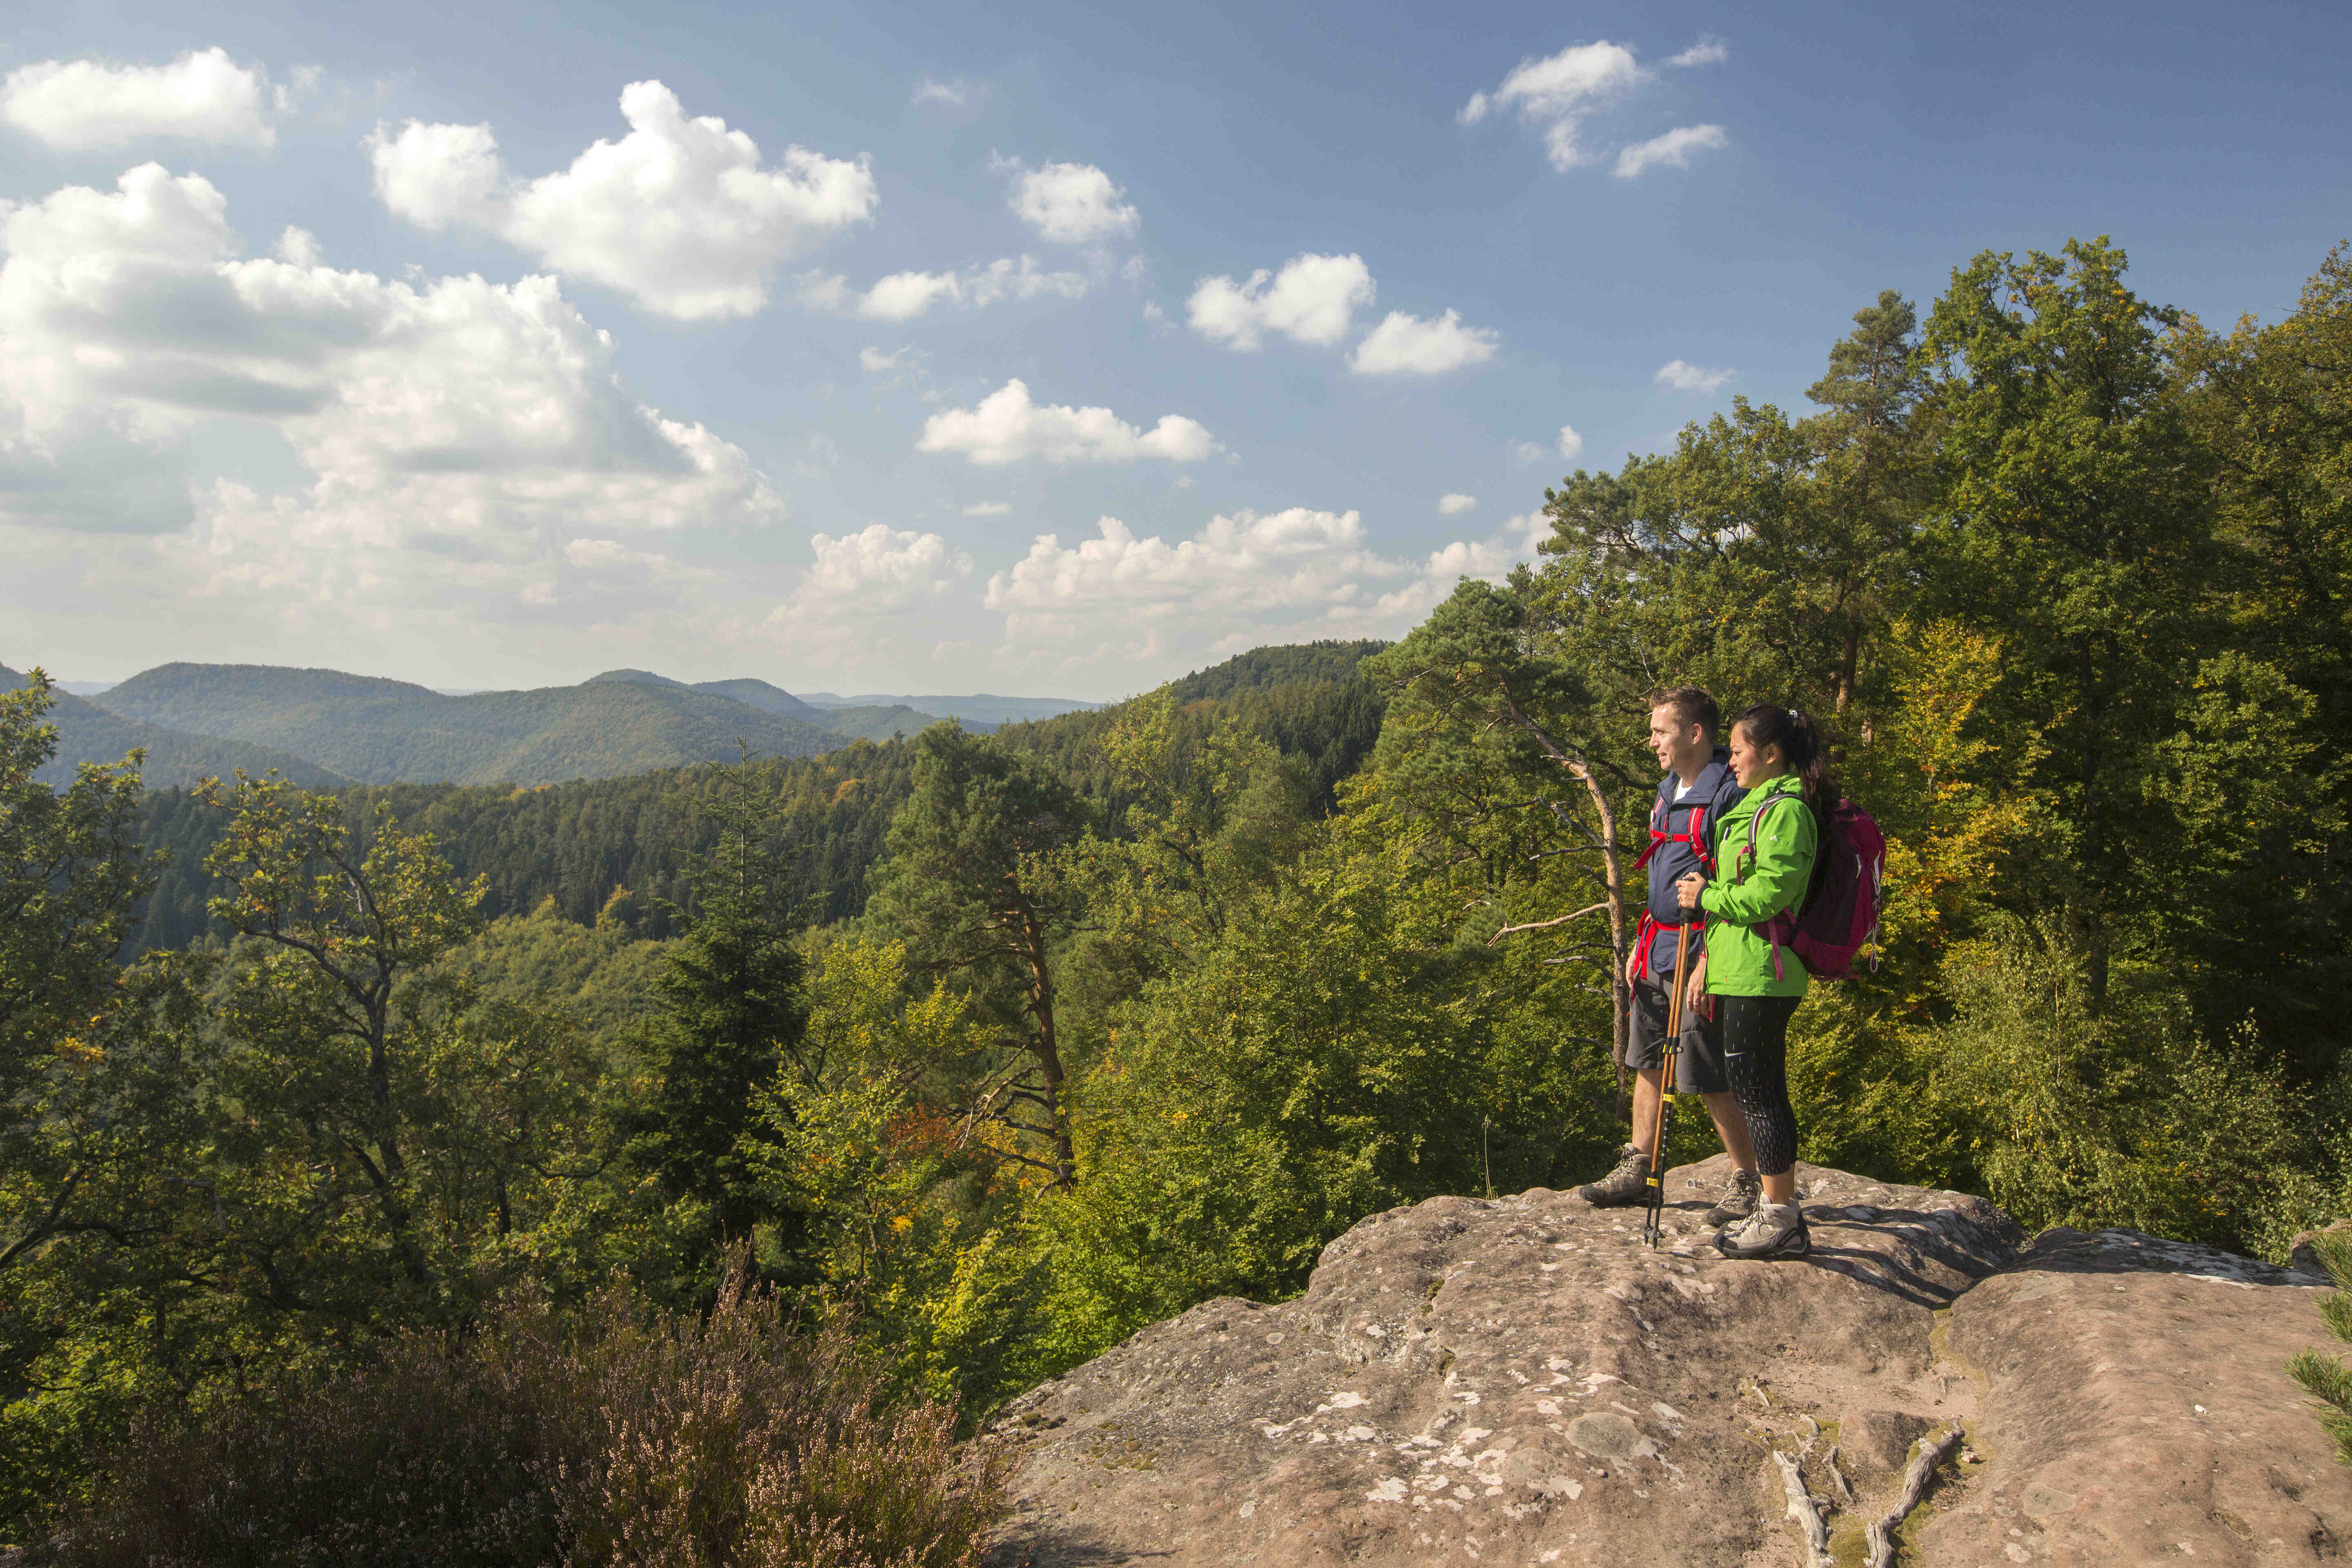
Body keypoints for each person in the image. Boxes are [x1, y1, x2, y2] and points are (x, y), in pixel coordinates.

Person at [1576, 688, 1761, 1225]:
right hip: (1658, 942)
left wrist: (1710, 962)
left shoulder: (1727, 792)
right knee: (1647, 1057)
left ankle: (1749, 1178)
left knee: (1705, 1071)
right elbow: (1665, 867)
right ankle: (1640, 1168)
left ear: (1695, 734)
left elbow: (1736, 880)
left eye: (1661, 730)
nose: (1652, 739)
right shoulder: (1668, 788)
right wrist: (1641, 939)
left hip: (1701, 945)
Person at [1673, 703, 1830, 1259]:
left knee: (1761, 1096)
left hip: (1766, 973)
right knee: (1754, 1091)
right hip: (1743, 967)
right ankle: (1775, 1210)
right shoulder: (1759, 807)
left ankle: (1782, 1218)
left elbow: (1772, 895)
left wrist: (1705, 896)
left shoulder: (1785, 812)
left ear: (1770, 754)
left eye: (1738, 751)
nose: (1731, 760)